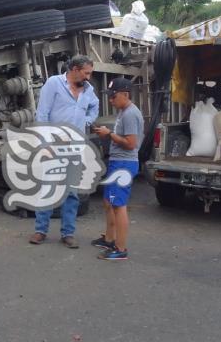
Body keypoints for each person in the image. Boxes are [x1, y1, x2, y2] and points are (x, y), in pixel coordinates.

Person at [29, 55, 99, 248]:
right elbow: (42, 113)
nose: (89, 77)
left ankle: (68, 233)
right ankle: (40, 230)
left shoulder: (88, 90)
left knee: (72, 193)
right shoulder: (54, 83)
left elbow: (95, 107)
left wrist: (86, 121)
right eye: (86, 73)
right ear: (75, 69)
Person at [92, 77, 143, 261]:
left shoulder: (130, 114)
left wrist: (109, 134)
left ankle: (120, 249)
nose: (111, 100)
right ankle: (109, 238)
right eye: (110, 96)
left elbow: (131, 144)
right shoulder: (123, 111)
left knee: (118, 205)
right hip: (117, 162)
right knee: (108, 201)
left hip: (124, 163)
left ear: (125, 95)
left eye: (113, 96)